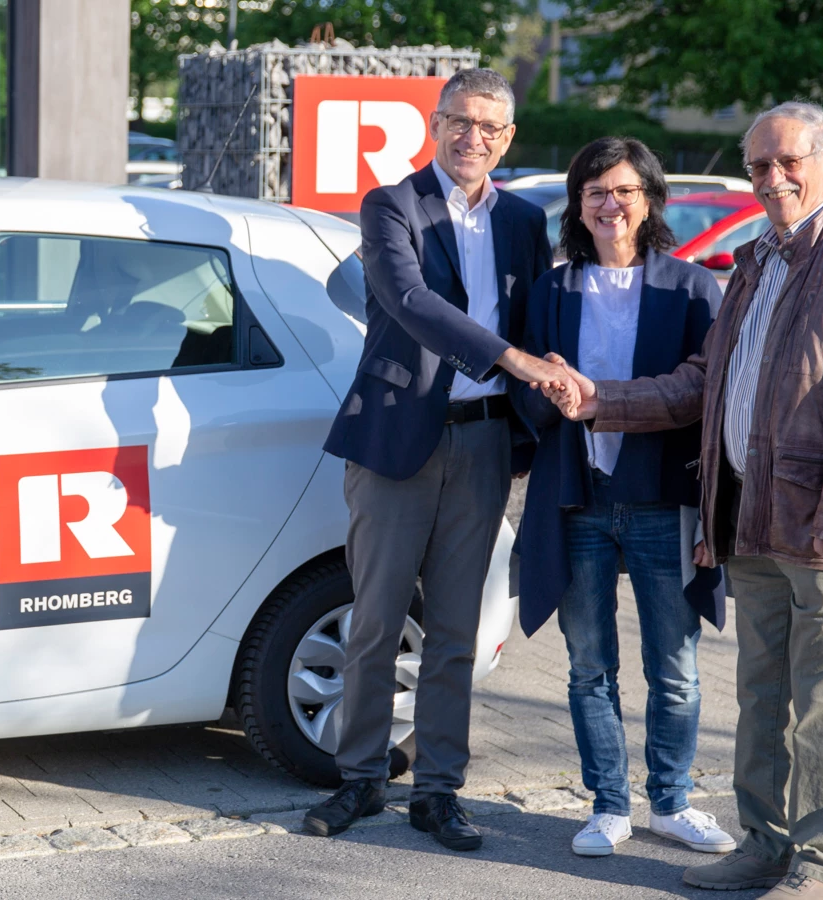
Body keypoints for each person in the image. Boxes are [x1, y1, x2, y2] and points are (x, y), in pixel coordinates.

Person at [546, 102, 823, 899]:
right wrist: (599, 402)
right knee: (762, 700)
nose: (772, 177)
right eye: (758, 166)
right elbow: (701, 387)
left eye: (788, 161)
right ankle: (763, 843)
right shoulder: (755, 262)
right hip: (752, 521)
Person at [312, 68, 572, 850]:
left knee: (456, 629)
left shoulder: (525, 221)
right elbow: (410, 302)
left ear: (508, 139)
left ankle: (438, 790)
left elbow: (540, 311)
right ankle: (359, 777)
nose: (473, 138)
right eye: (460, 121)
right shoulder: (391, 205)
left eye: (490, 128)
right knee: (377, 622)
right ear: (435, 122)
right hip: (397, 437)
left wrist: (537, 410)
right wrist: (514, 360)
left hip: (485, 440)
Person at [510, 136, 734, 859]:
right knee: (588, 664)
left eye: (624, 191)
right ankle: (608, 803)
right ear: (578, 206)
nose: (610, 205)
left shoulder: (693, 289)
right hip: (578, 501)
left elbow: (712, 404)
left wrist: (716, 516)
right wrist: (545, 388)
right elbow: (526, 401)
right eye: (595, 192)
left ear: (650, 200)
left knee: (675, 667)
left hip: (664, 498)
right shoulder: (552, 290)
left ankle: (670, 803)